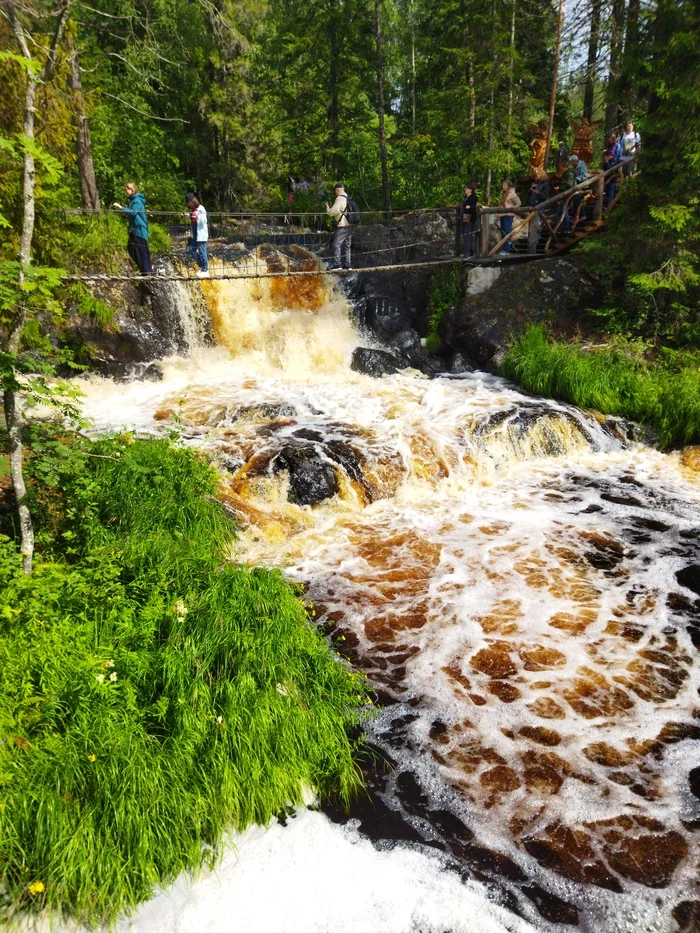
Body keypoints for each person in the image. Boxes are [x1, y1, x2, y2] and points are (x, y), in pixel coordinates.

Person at [113, 181, 152, 304]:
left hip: (140, 231)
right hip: (136, 230)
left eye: (128, 189)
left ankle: (146, 273)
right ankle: (145, 271)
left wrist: (121, 207)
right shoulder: (134, 200)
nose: (126, 192)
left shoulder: (136, 200)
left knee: (141, 253)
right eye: (125, 189)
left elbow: (134, 212)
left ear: (132, 190)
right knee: (132, 248)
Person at [326, 183, 353, 270]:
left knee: (336, 244)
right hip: (350, 224)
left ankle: (337, 264)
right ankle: (347, 265)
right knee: (347, 245)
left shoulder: (340, 198)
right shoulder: (348, 197)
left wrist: (328, 209)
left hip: (343, 225)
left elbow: (334, 211)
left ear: (337, 190)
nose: (335, 193)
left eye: (335, 191)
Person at [185, 192, 209, 278]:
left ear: (192, 202)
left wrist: (196, 216)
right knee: (191, 249)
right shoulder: (193, 210)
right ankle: (202, 266)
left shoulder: (201, 209)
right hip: (195, 234)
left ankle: (205, 270)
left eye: (189, 203)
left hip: (201, 234)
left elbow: (204, 221)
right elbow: (193, 217)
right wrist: (188, 215)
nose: (188, 205)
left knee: (202, 251)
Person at [498, 178, 521, 254]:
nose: (503, 186)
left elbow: (518, 203)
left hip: (508, 215)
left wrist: (512, 210)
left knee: (507, 232)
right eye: (502, 185)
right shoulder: (504, 194)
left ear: (508, 186)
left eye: (504, 185)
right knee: (503, 232)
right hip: (502, 215)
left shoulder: (512, 194)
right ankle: (504, 248)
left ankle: (506, 250)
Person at [456, 182, 478, 258]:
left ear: (470, 190)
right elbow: (461, 206)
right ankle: (470, 252)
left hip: (469, 219)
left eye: (466, 188)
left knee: (468, 235)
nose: (465, 189)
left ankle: (467, 253)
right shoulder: (465, 198)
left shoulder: (473, 197)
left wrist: (469, 207)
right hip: (463, 218)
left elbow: (473, 207)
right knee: (465, 236)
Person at [602, 133, 622, 206]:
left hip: (614, 167)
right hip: (607, 166)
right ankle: (607, 204)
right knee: (607, 188)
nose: (609, 140)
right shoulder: (609, 147)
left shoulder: (618, 146)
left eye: (610, 139)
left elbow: (617, 157)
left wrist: (611, 157)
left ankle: (609, 206)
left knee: (611, 188)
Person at [569, 153, 588, 228]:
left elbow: (584, 176)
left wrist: (576, 180)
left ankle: (582, 215)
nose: (571, 164)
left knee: (578, 200)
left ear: (575, 161)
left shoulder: (582, 166)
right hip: (576, 187)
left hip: (582, 186)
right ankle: (575, 215)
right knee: (573, 200)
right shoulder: (574, 168)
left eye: (572, 163)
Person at [529, 169, 550, 234]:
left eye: (539, 174)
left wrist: (538, 192)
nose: (537, 175)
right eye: (537, 174)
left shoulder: (545, 184)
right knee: (531, 223)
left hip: (539, 205)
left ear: (543, 175)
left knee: (537, 223)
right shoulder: (536, 183)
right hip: (532, 204)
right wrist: (531, 189)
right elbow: (529, 194)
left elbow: (545, 196)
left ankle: (537, 238)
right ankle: (531, 238)